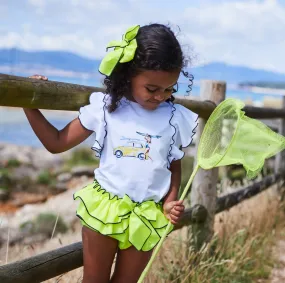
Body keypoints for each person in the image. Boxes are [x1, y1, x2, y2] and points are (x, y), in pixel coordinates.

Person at [24, 24, 198, 283]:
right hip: (105, 209)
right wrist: (30, 105)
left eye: (169, 89)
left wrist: (170, 200)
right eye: (152, 89)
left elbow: (173, 161)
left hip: (147, 215)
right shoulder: (105, 108)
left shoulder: (174, 117)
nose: (160, 96)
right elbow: (57, 142)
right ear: (129, 75)